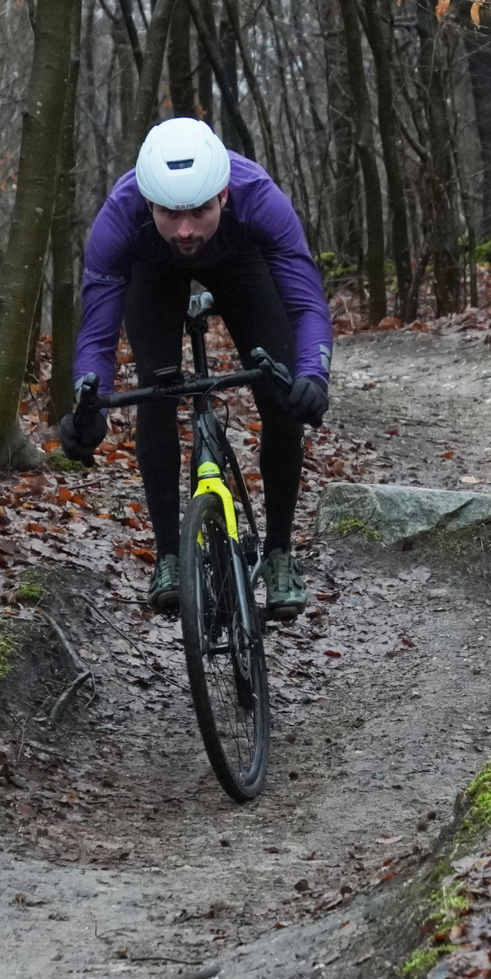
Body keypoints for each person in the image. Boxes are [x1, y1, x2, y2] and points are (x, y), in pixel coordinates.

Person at [58, 118, 332, 618]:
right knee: (154, 393)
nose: (185, 230)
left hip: (240, 262)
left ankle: (279, 554)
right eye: (169, 213)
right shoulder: (119, 218)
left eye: (200, 211)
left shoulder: (260, 199)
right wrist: (88, 403)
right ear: (148, 203)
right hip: (152, 273)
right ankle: (168, 556)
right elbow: (97, 333)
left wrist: (314, 373)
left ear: (224, 195)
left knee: (280, 396)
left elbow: (306, 304)